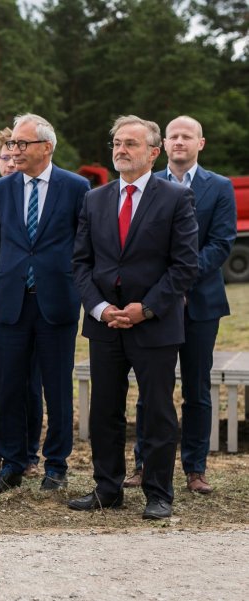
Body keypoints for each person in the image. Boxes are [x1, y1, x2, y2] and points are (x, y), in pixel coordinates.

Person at [70, 115, 198, 519]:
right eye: (116, 144)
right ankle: (107, 489)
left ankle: (159, 493)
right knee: (104, 410)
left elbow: (185, 266)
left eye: (130, 143)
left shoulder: (175, 198)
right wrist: (101, 308)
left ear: (153, 152)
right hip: (105, 323)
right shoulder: (95, 199)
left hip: (156, 323)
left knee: (158, 410)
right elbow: (80, 264)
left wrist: (145, 309)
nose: (121, 150)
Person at [124, 116, 236, 494]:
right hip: (153, 303)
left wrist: (181, 281)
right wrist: (161, 292)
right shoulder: (147, 187)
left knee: (196, 390)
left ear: (200, 143)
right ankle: (143, 464)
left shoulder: (219, 188)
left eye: (187, 136)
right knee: (151, 388)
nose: (179, 142)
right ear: (162, 145)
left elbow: (220, 243)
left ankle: (195, 468)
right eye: (173, 136)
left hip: (199, 304)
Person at [0, 113, 90, 494]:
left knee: (57, 388)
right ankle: (13, 462)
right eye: (12, 144)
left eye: (21, 144)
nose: (14, 150)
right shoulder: (1, 188)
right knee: (10, 385)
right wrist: (16, 271)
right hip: (12, 302)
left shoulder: (76, 186)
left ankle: (56, 465)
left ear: (46, 146)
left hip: (57, 300)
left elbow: (84, 242)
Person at [0, 126, 42, 477]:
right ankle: (3, 450)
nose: (10, 162)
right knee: (2, 381)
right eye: (4, 157)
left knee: (31, 382)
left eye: (15, 155)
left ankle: (30, 452)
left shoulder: (44, 193)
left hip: (35, 299)